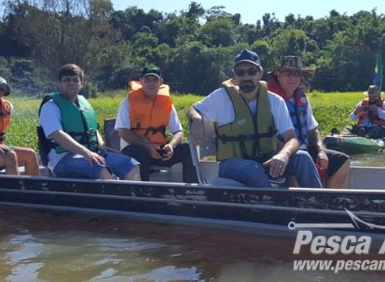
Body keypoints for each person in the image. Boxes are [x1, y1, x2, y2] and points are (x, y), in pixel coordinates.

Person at [186, 49, 323, 189]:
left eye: (251, 72)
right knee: (253, 169)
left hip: (265, 160)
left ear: (260, 73)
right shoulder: (221, 97)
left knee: (303, 158)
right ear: (235, 75)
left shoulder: (274, 101)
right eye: (240, 72)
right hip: (231, 165)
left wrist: (283, 154)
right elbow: (192, 109)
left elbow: (292, 139)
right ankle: (270, 202)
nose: (246, 76)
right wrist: (196, 119)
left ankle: (320, 201)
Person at [39, 64, 140, 180]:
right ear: (58, 83)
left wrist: (102, 145)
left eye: (75, 80)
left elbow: (93, 130)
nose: (71, 83)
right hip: (62, 159)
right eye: (66, 80)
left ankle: (132, 192)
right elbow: (57, 135)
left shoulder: (84, 104)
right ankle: (113, 191)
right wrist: (87, 153)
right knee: (98, 166)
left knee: (131, 164)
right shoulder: (50, 107)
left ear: (81, 84)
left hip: (91, 153)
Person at [267, 55, 350, 189]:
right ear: (278, 74)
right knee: (299, 162)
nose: (292, 78)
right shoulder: (269, 100)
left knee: (342, 161)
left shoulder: (302, 99)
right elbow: (268, 135)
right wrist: (289, 152)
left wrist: (320, 150)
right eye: (287, 73)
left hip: (304, 148)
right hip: (281, 152)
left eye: (297, 74)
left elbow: (312, 130)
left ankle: (329, 197)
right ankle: (312, 198)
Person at [114, 65, 197, 182]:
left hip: (158, 151)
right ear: (141, 82)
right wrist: (147, 146)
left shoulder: (167, 105)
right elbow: (123, 133)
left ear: (160, 82)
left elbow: (178, 132)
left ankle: (190, 190)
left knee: (187, 148)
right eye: (147, 80)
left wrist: (171, 146)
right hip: (134, 150)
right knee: (140, 152)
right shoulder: (127, 104)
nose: (151, 84)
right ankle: (145, 190)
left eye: (155, 80)